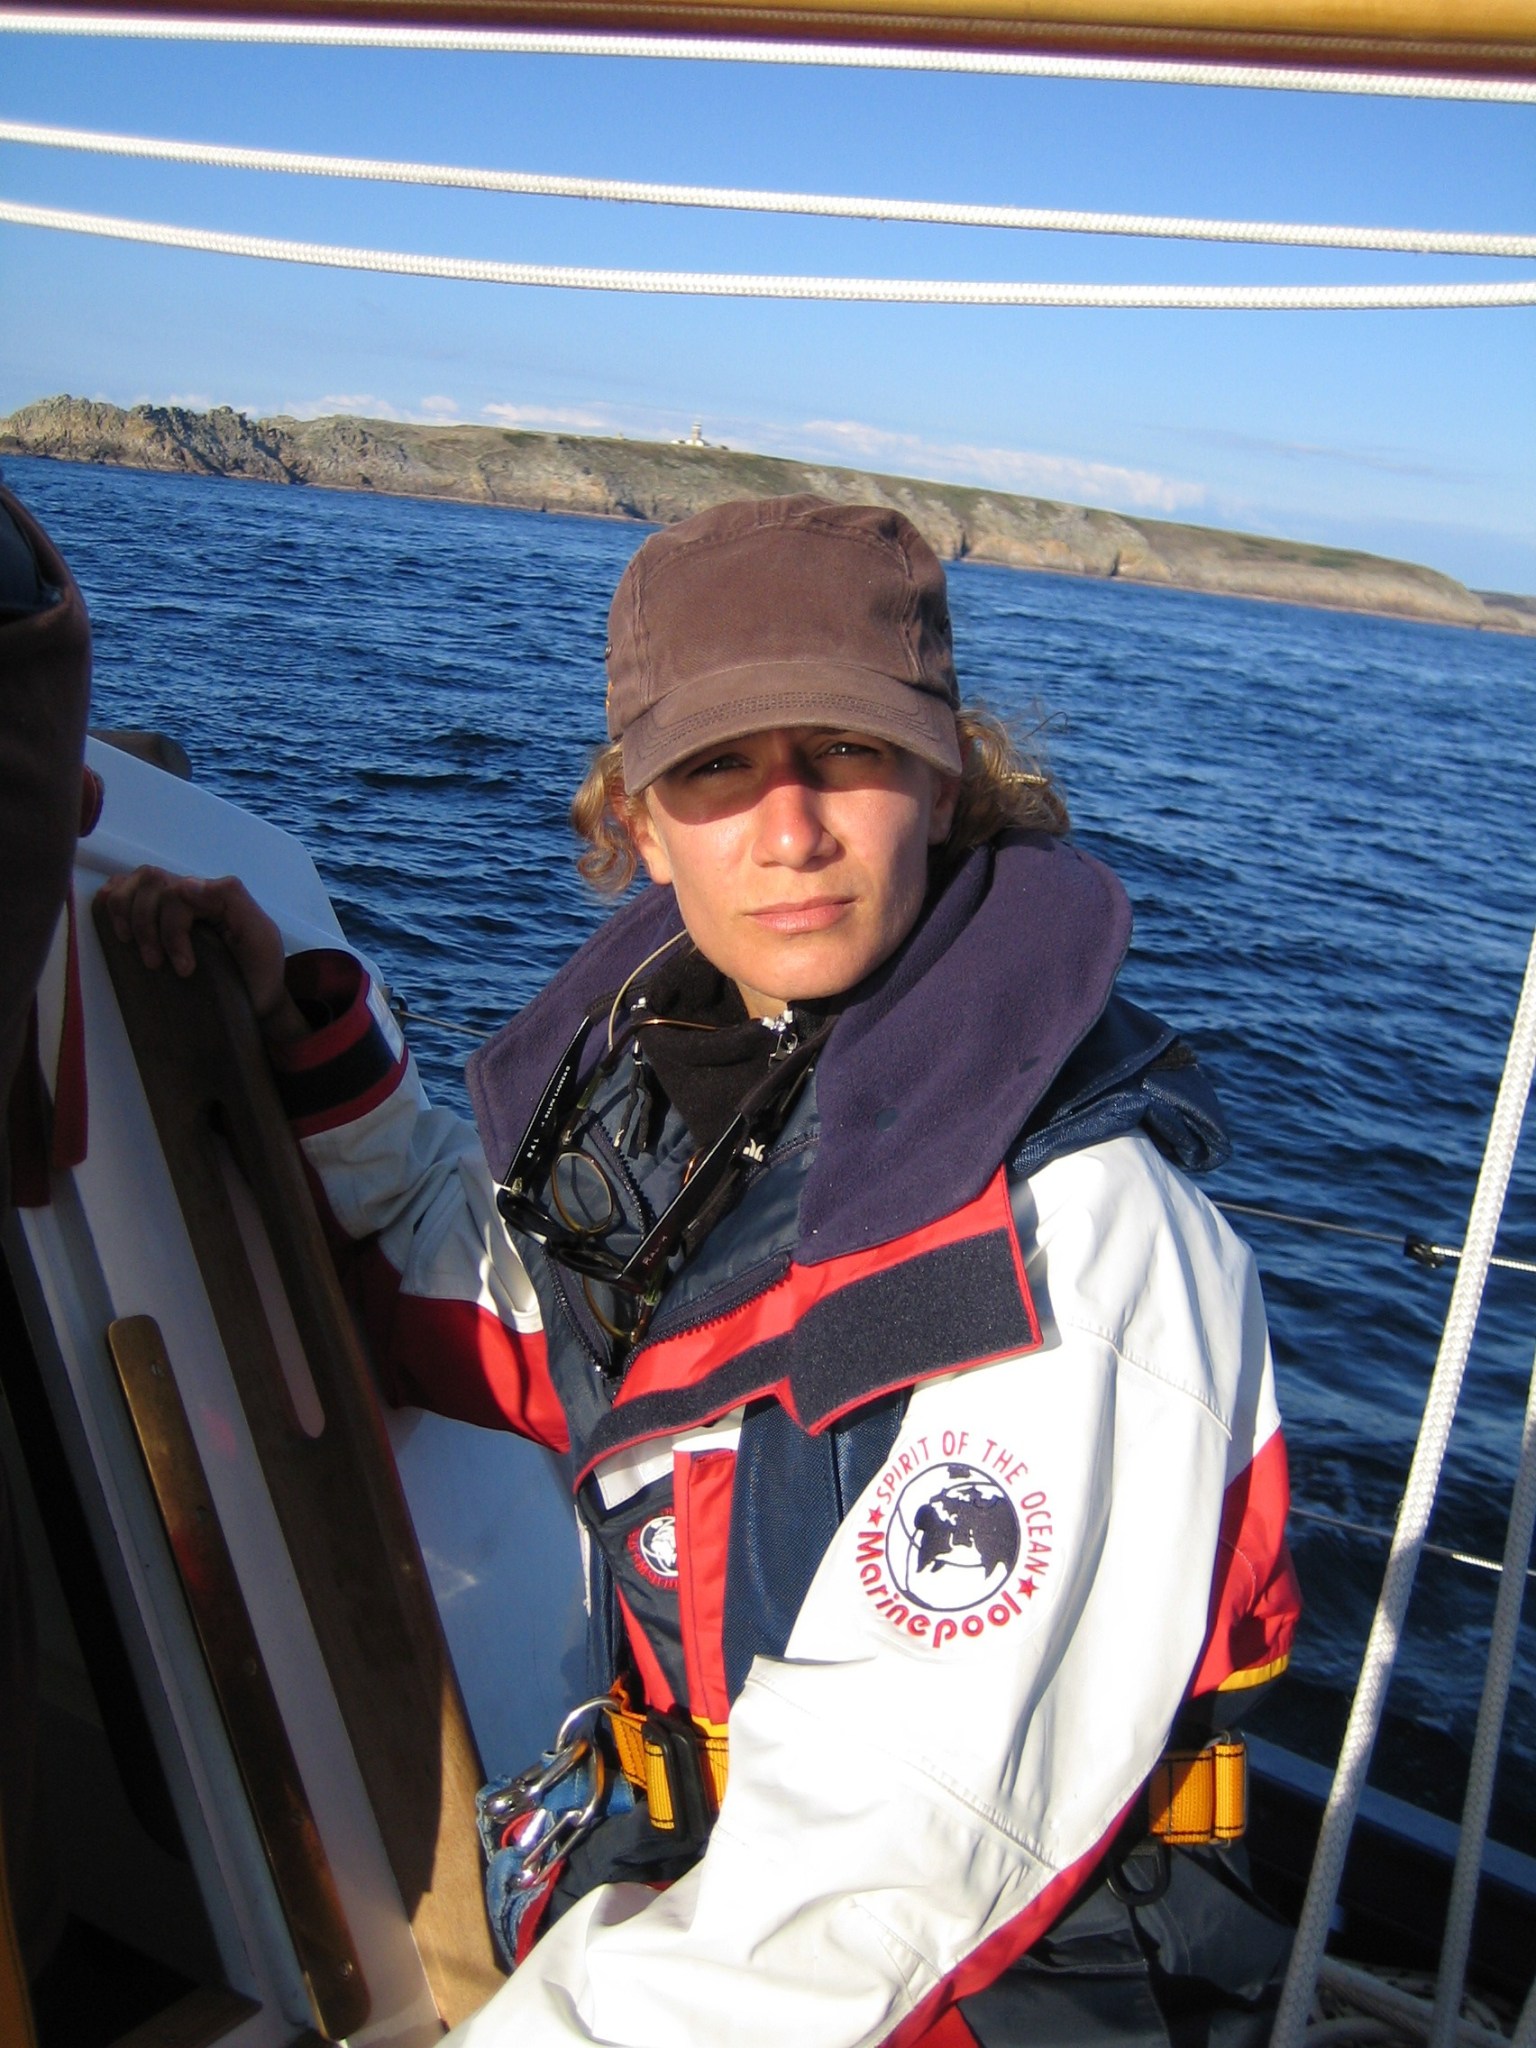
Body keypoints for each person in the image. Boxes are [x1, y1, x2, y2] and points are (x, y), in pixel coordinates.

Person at [101, 495, 1300, 2048]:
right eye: (717, 769)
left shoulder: (1069, 1248)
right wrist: (312, 1048)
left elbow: (886, 1875)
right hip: (686, 1884)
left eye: (846, 754)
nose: (788, 832)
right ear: (640, 821)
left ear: (946, 782)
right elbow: (529, 1326)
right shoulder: (696, 1116)